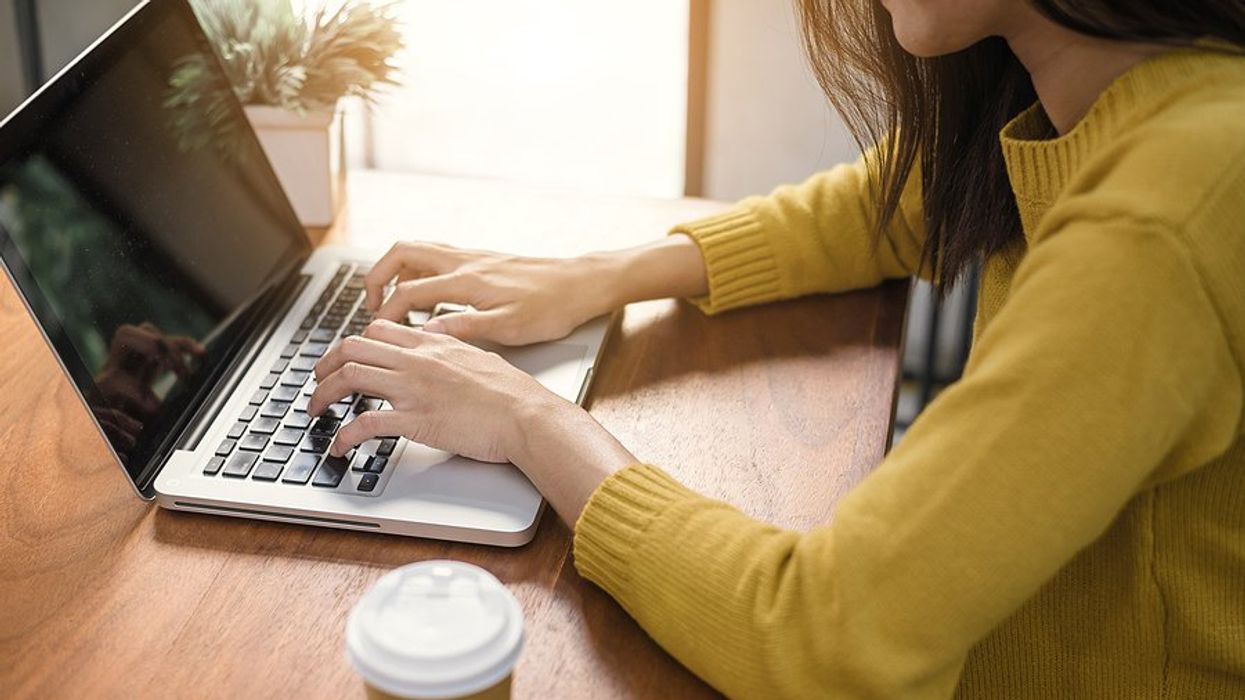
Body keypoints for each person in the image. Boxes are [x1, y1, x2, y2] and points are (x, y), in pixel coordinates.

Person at [309, 0, 1245, 696]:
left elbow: (829, 636)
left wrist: (529, 420)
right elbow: (895, 204)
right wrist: (602, 275)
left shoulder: (1161, 219)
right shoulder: (1111, 91)